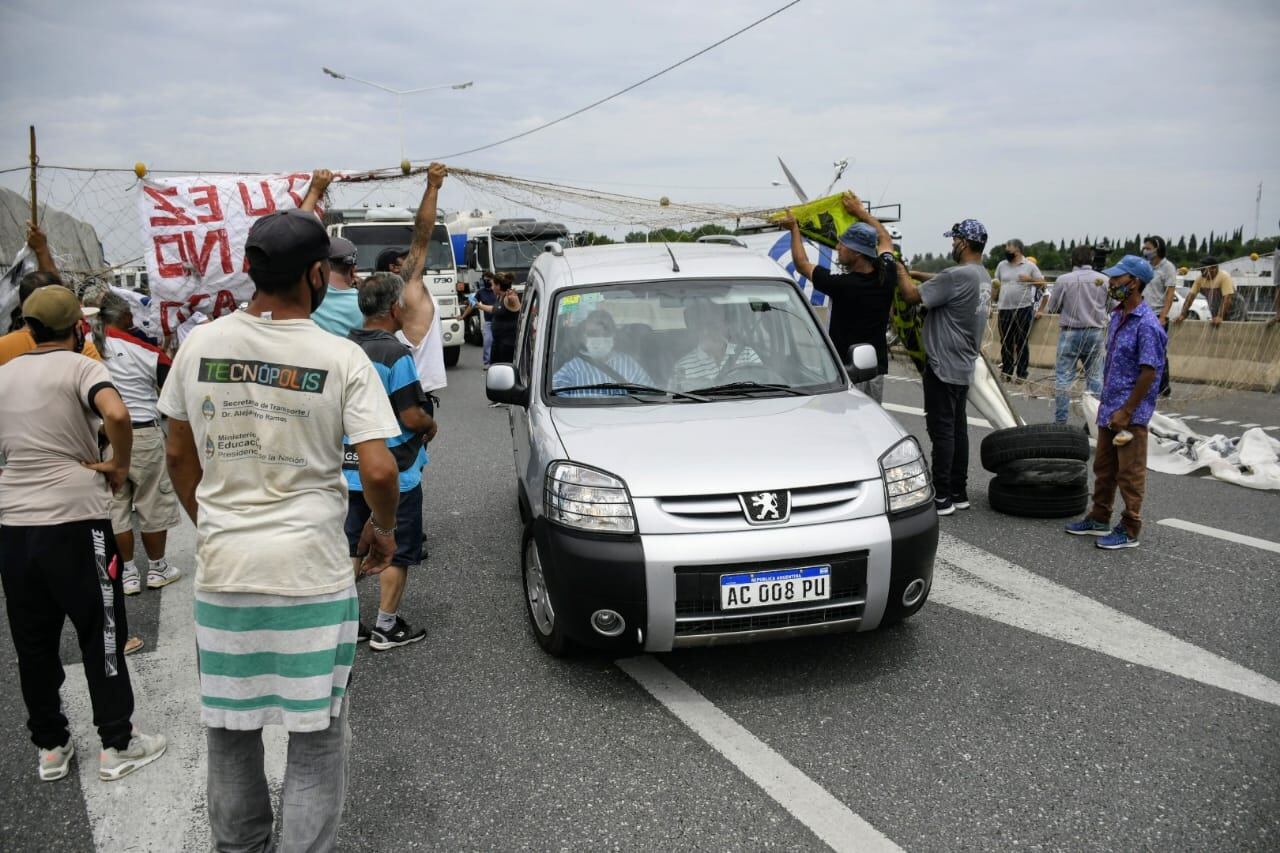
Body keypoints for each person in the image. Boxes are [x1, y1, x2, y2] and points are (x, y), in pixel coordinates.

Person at [159, 192, 403, 848]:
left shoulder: (199, 346)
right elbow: (379, 471)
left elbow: (178, 453)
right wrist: (382, 529)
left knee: (231, 736)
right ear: (317, 275)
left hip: (225, 571)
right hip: (310, 575)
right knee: (316, 744)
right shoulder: (340, 357)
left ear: (250, 269)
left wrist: (212, 519)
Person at [0, 286, 168, 783]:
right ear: (78, 328)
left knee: (32, 641)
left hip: (14, 524)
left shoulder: (5, 374)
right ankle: (117, 741)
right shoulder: (84, 367)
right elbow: (116, 414)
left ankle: (51, 745)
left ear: (28, 329)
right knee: (102, 631)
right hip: (76, 519)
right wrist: (117, 464)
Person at [344, 273, 438, 649]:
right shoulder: (395, 354)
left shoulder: (343, 346)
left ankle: (346, 624)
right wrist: (431, 424)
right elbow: (411, 416)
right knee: (395, 547)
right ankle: (386, 625)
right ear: (395, 308)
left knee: (351, 546)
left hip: (347, 466)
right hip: (395, 467)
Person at [1066, 255, 1165, 550]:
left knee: (1129, 473)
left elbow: (1150, 372)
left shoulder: (1147, 324)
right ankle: (1099, 516)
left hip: (1129, 413)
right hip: (1110, 408)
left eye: (1117, 279)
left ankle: (1130, 527)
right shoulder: (1118, 315)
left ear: (1134, 283)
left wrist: (1128, 410)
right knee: (1104, 467)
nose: (1111, 283)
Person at [893, 219, 990, 515]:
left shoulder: (955, 276)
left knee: (942, 430)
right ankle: (959, 492)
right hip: (962, 363)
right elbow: (943, 280)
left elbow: (911, 295)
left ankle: (942, 496)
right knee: (958, 429)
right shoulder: (981, 275)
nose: (951, 245)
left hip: (942, 363)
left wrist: (897, 267)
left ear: (963, 242)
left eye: (954, 240)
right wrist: (918, 273)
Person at [98, 294, 183, 595]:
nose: (135, 321)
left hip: (105, 436)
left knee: (117, 506)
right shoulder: (145, 349)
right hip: (143, 434)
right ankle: (158, 568)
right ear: (121, 317)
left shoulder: (86, 345)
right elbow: (174, 388)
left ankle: (128, 573)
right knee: (152, 502)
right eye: (131, 315)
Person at [778, 190, 897, 402]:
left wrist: (794, 229)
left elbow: (802, 265)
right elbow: (885, 238)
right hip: (875, 370)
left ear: (857, 252)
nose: (837, 247)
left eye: (843, 244)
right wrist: (860, 212)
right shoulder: (887, 274)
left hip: (848, 371)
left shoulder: (844, 285)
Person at [0, 222, 103, 365]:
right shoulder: (81, 350)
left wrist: (41, 250)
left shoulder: (3, 347)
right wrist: (42, 249)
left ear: (22, 305)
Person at [1038, 245, 1108, 424]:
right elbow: (1114, 305)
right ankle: (1095, 421)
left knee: (1063, 378)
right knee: (1095, 378)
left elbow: (1052, 307)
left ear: (1073, 260)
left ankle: (1061, 421)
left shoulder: (1063, 280)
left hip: (1070, 333)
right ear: (1091, 260)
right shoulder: (1104, 280)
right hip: (1095, 332)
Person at [551, 309, 654, 397]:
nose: (599, 338)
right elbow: (555, 397)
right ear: (583, 337)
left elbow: (649, 394)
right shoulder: (573, 368)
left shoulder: (629, 364)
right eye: (593, 334)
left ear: (614, 335)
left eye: (605, 333)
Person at [671, 300, 760, 390]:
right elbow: (675, 398)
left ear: (726, 325)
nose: (708, 331)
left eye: (714, 324)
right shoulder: (683, 366)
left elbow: (762, 383)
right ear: (696, 328)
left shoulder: (747, 353)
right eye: (704, 325)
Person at [992, 239, 1045, 382]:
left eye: (1009, 248)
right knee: (1006, 341)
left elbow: (1043, 285)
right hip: (1004, 308)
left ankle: (1022, 374)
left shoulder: (1030, 266)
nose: (1007, 251)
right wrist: (991, 300)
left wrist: (1029, 279)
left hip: (1023, 308)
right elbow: (995, 285)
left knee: (1022, 341)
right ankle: (1007, 372)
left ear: (1018, 250)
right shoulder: (1001, 265)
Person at [1140, 236, 1178, 396]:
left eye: (1148, 247)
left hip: (1156, 314)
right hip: (1143, 312)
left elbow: (1169, 293)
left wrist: (1163, 316)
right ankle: (1145, 384)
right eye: (1145, 247)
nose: (1145, 250)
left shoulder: (1167, 267)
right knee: (1142, 351)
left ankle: (1163, 385)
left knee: (1158, 351)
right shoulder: (1146, 266)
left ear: (1157, 248)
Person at [1176, 257, 1241, 326]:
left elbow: (1227, 298)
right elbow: (1190, 297)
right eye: (1201, 270)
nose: (1202, 272)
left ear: (1214, 268)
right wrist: (1182, 315)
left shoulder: (1224, 277)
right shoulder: (1200, 279)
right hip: (1217, 310)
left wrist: (1219, 316)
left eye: (1204, 269)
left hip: (1236, 311)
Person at [460, 271, 498, 366]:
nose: (486, 282)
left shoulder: (497, 290)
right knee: (487, 342)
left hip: (499, 321)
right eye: (484, 280)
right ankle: (487, 362)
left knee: (499, 343)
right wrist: (463, 316)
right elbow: (471, 305)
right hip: (488, 322)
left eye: (488, 280)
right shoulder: (480, 292)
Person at [486, 272, 522, 366]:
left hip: (507, 345)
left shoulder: (509, 298)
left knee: (504, 370)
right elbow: (493, 309)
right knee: (494, 368)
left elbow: (517, 307)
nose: (492, 287)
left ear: (498, 286)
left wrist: (513, 298)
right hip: (497, 342)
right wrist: (478, 305)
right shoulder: (499, 297)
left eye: (493, 285)